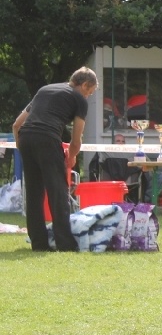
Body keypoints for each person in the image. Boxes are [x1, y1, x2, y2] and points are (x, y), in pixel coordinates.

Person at [12, 67, 98, 251]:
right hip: (48, 138)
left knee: (34, 194)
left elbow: (17, 124)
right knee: (58, 191)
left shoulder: (45, 90)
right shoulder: (79, 100)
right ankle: (65, 244)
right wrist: (72, 157)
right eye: (89, 92)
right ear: (83, 85)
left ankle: (39, 243)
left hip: (26, 137)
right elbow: (76, 138)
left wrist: (22, 147)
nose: (88, 96)